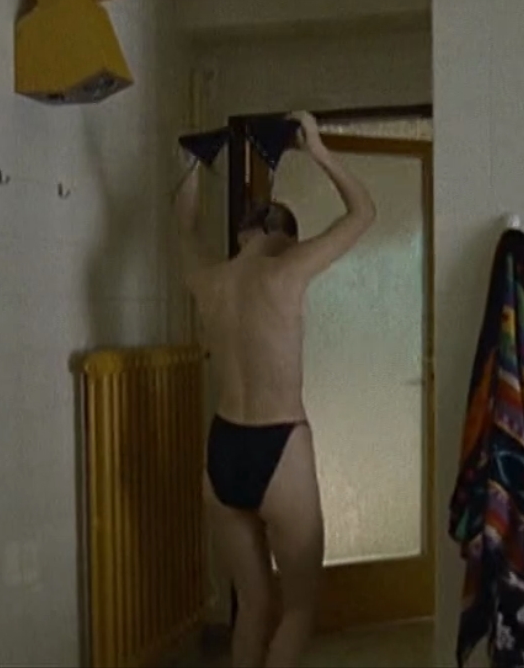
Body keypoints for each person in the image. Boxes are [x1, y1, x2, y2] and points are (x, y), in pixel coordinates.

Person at [172, 111, 377, 667]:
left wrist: (191, 164)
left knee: (254, 606)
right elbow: (364, 212)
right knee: (299, 609)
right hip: (278, 444)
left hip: (223, 448)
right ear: (286, 236)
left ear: (243, 235)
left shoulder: (208, 281)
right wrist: (319, 149)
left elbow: (184, 228)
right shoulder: (288, 269)